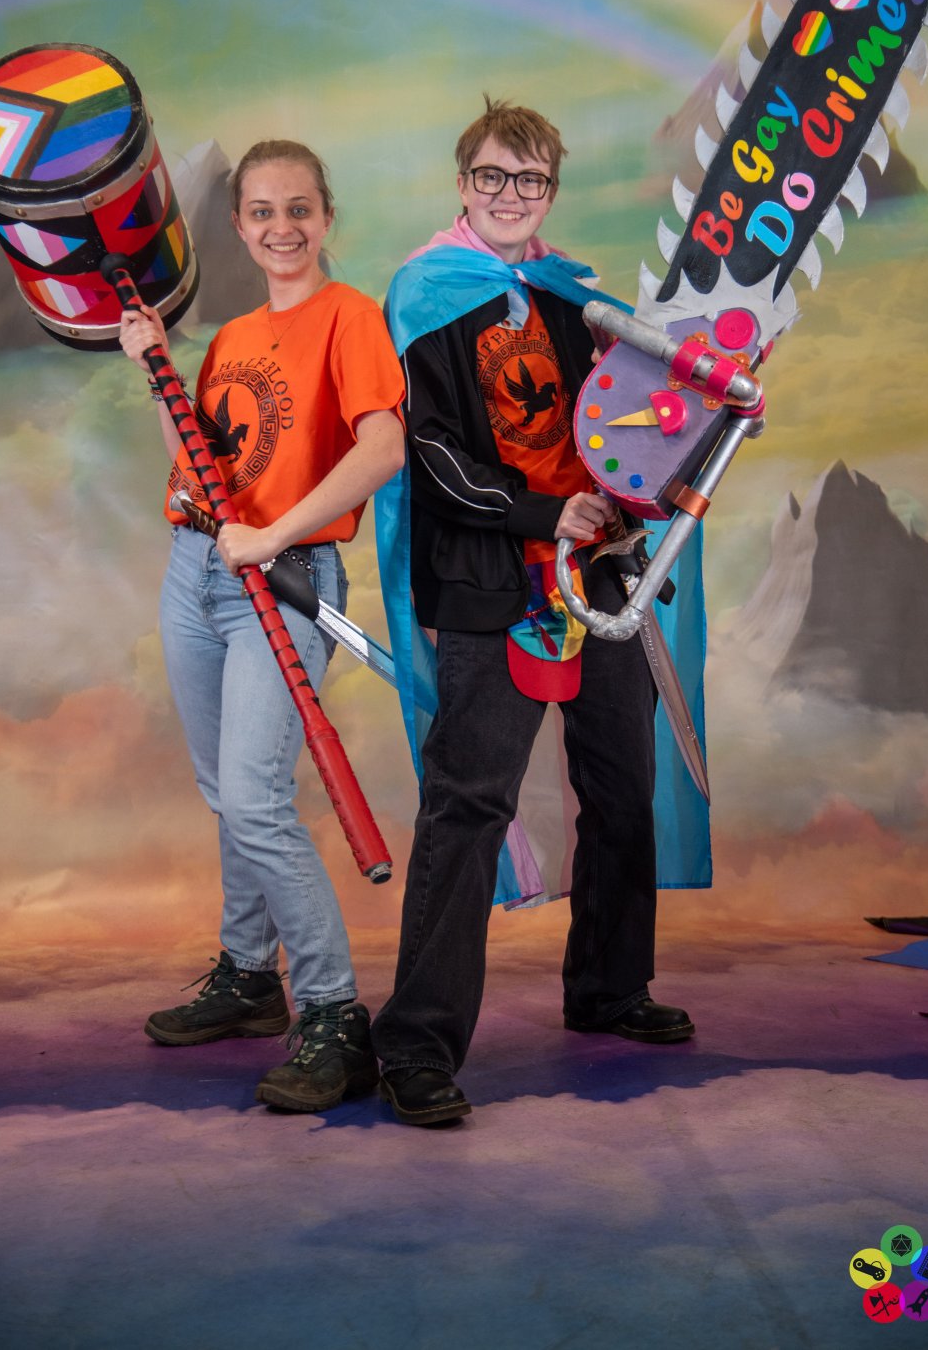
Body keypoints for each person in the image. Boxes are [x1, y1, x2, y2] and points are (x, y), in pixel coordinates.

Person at [372, 98, 696, 1126]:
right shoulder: (425, 295)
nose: (510, 195)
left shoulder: (572, 300)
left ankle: (609, 987)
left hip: (597, 574)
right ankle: (415, 1044)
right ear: (462, 183)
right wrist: (539, 512)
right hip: (492, 582)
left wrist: (699, 412)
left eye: (530, 179)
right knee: (467, 804)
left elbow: (629, 428)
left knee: (623, 786)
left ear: (550, 190)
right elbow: (427, 452)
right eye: (492, 176)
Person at [119, 139, 405, 1113]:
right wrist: (153, 366)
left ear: (325, 217)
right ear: (239, 227)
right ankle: (249, 976)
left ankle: (333, 1015)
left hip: (283, 577)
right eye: (261, 212)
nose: (281, 227)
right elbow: (200, 457)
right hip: (195, 569)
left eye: (298, 209)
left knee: (253, 798)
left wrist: (274, 534)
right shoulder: (234, 335)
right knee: (226, 792)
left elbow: (382, 448)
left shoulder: (349, 318)